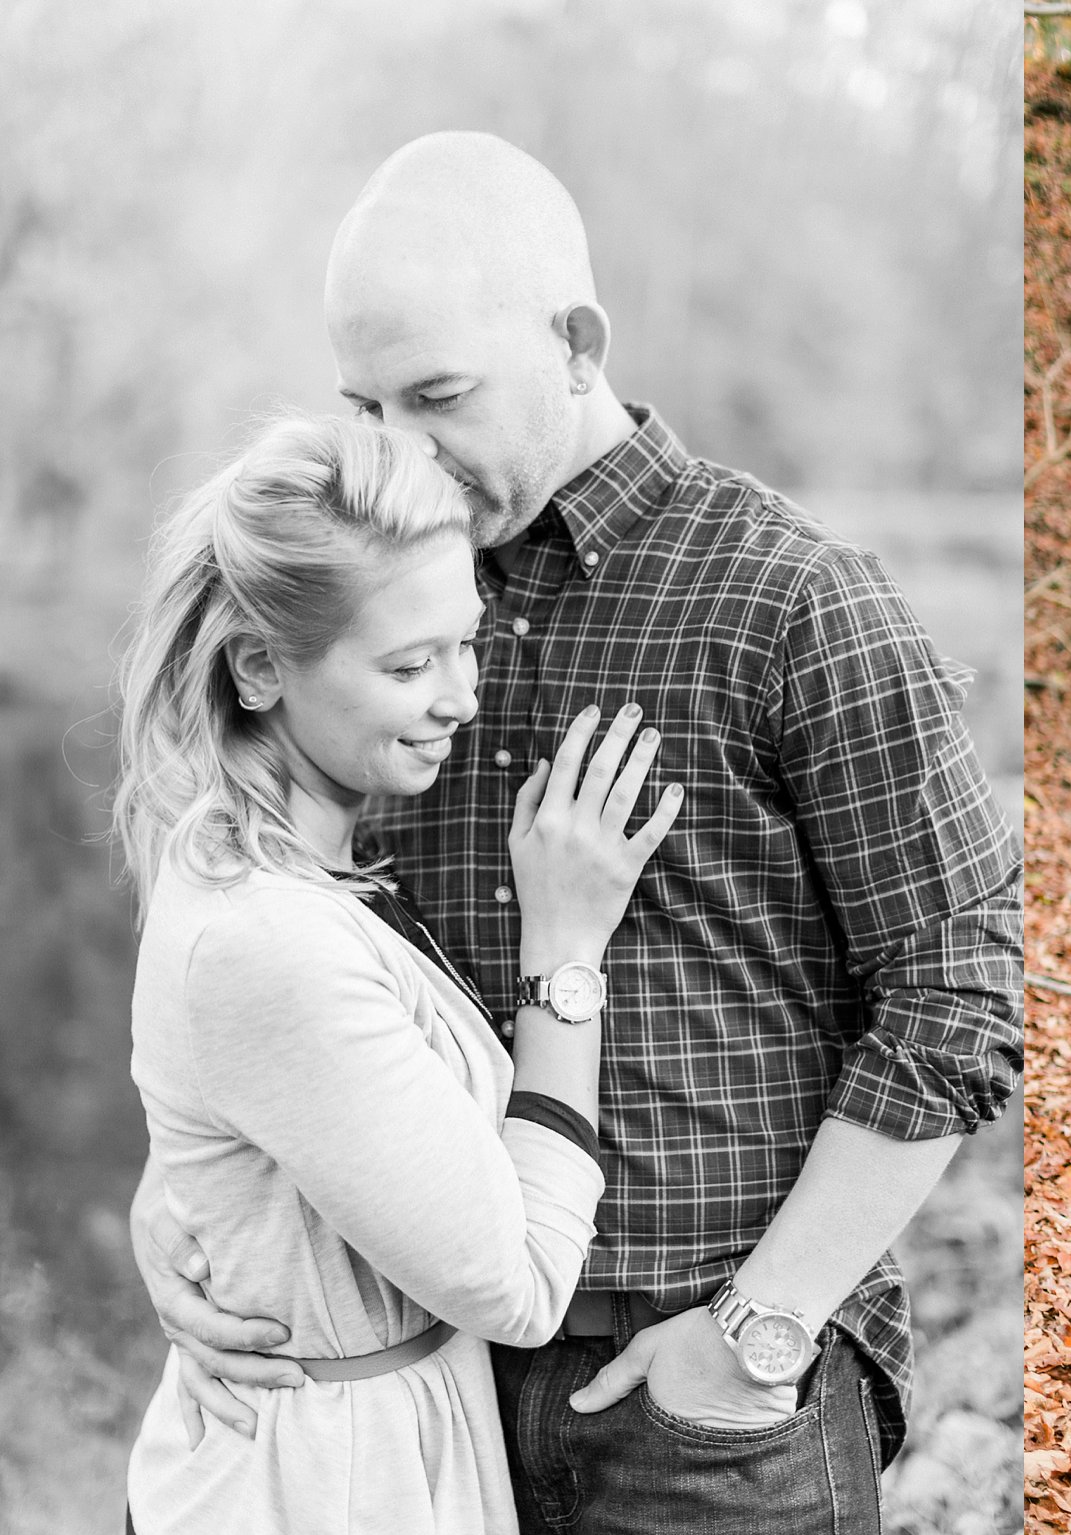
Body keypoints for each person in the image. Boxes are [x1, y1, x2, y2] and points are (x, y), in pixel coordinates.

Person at [129, 132, 1023, 1534]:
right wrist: (186, 1208)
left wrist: (763, 1326)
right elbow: (265, 955)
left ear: (575, 340)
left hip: (712, 1414)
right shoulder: (383, 611)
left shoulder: (790, 600)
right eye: (364, 402)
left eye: (437, 395)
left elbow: (961, 988)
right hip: (435, 1394)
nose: (400, 447)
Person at [115, 413, 679, 1531]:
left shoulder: (289, 860)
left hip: (378, 1450)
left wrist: (179, 1190)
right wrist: (564, 953)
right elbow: (520, 1287)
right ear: (260, 667)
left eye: (466, 640)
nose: (461, 695)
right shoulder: (266, 935)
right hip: (311, 1486)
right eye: (410, 663)